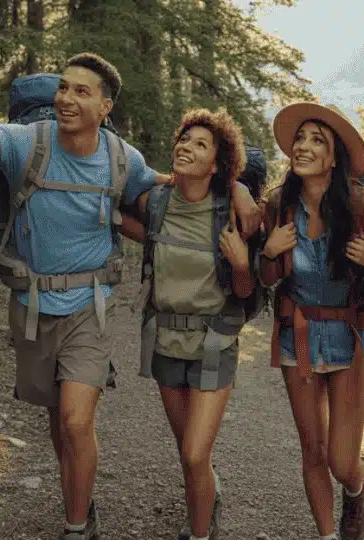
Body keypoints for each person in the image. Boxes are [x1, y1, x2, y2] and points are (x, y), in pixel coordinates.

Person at [0, 51, 262, 540]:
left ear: (105, 107)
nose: (66, 98)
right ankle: (81, 497)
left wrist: (238, 190)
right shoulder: (27, 144)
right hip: (33, 306)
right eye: (63, 87)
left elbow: (183, 189)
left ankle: (77, 528)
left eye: (81, 91)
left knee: (76, 420)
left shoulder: (123, 159)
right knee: (59, 422)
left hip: (91, 306)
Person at [259, 102, 364, 540]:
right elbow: (266, 279)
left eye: (317, 141)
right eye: (300, 138)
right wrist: (269, 252)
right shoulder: (277, 205)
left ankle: (355, 489)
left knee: (341, 460)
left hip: (351, 335)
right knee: (312, 449)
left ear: (334, 159)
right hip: (298, 333)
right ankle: (328, 535)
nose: (304, 146)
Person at [133, 108, 255, 540]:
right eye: (184, 140)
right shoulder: (155, 203)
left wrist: (241, 264)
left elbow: (245, 292)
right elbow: (111, 193)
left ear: (217, 165)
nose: (187, 147)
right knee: (188, 453)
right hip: (164, 340)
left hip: (213, 343)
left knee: (195, 453)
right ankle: (204, 502)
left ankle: (200, 532)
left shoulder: (231, 213)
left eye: (201, 145)